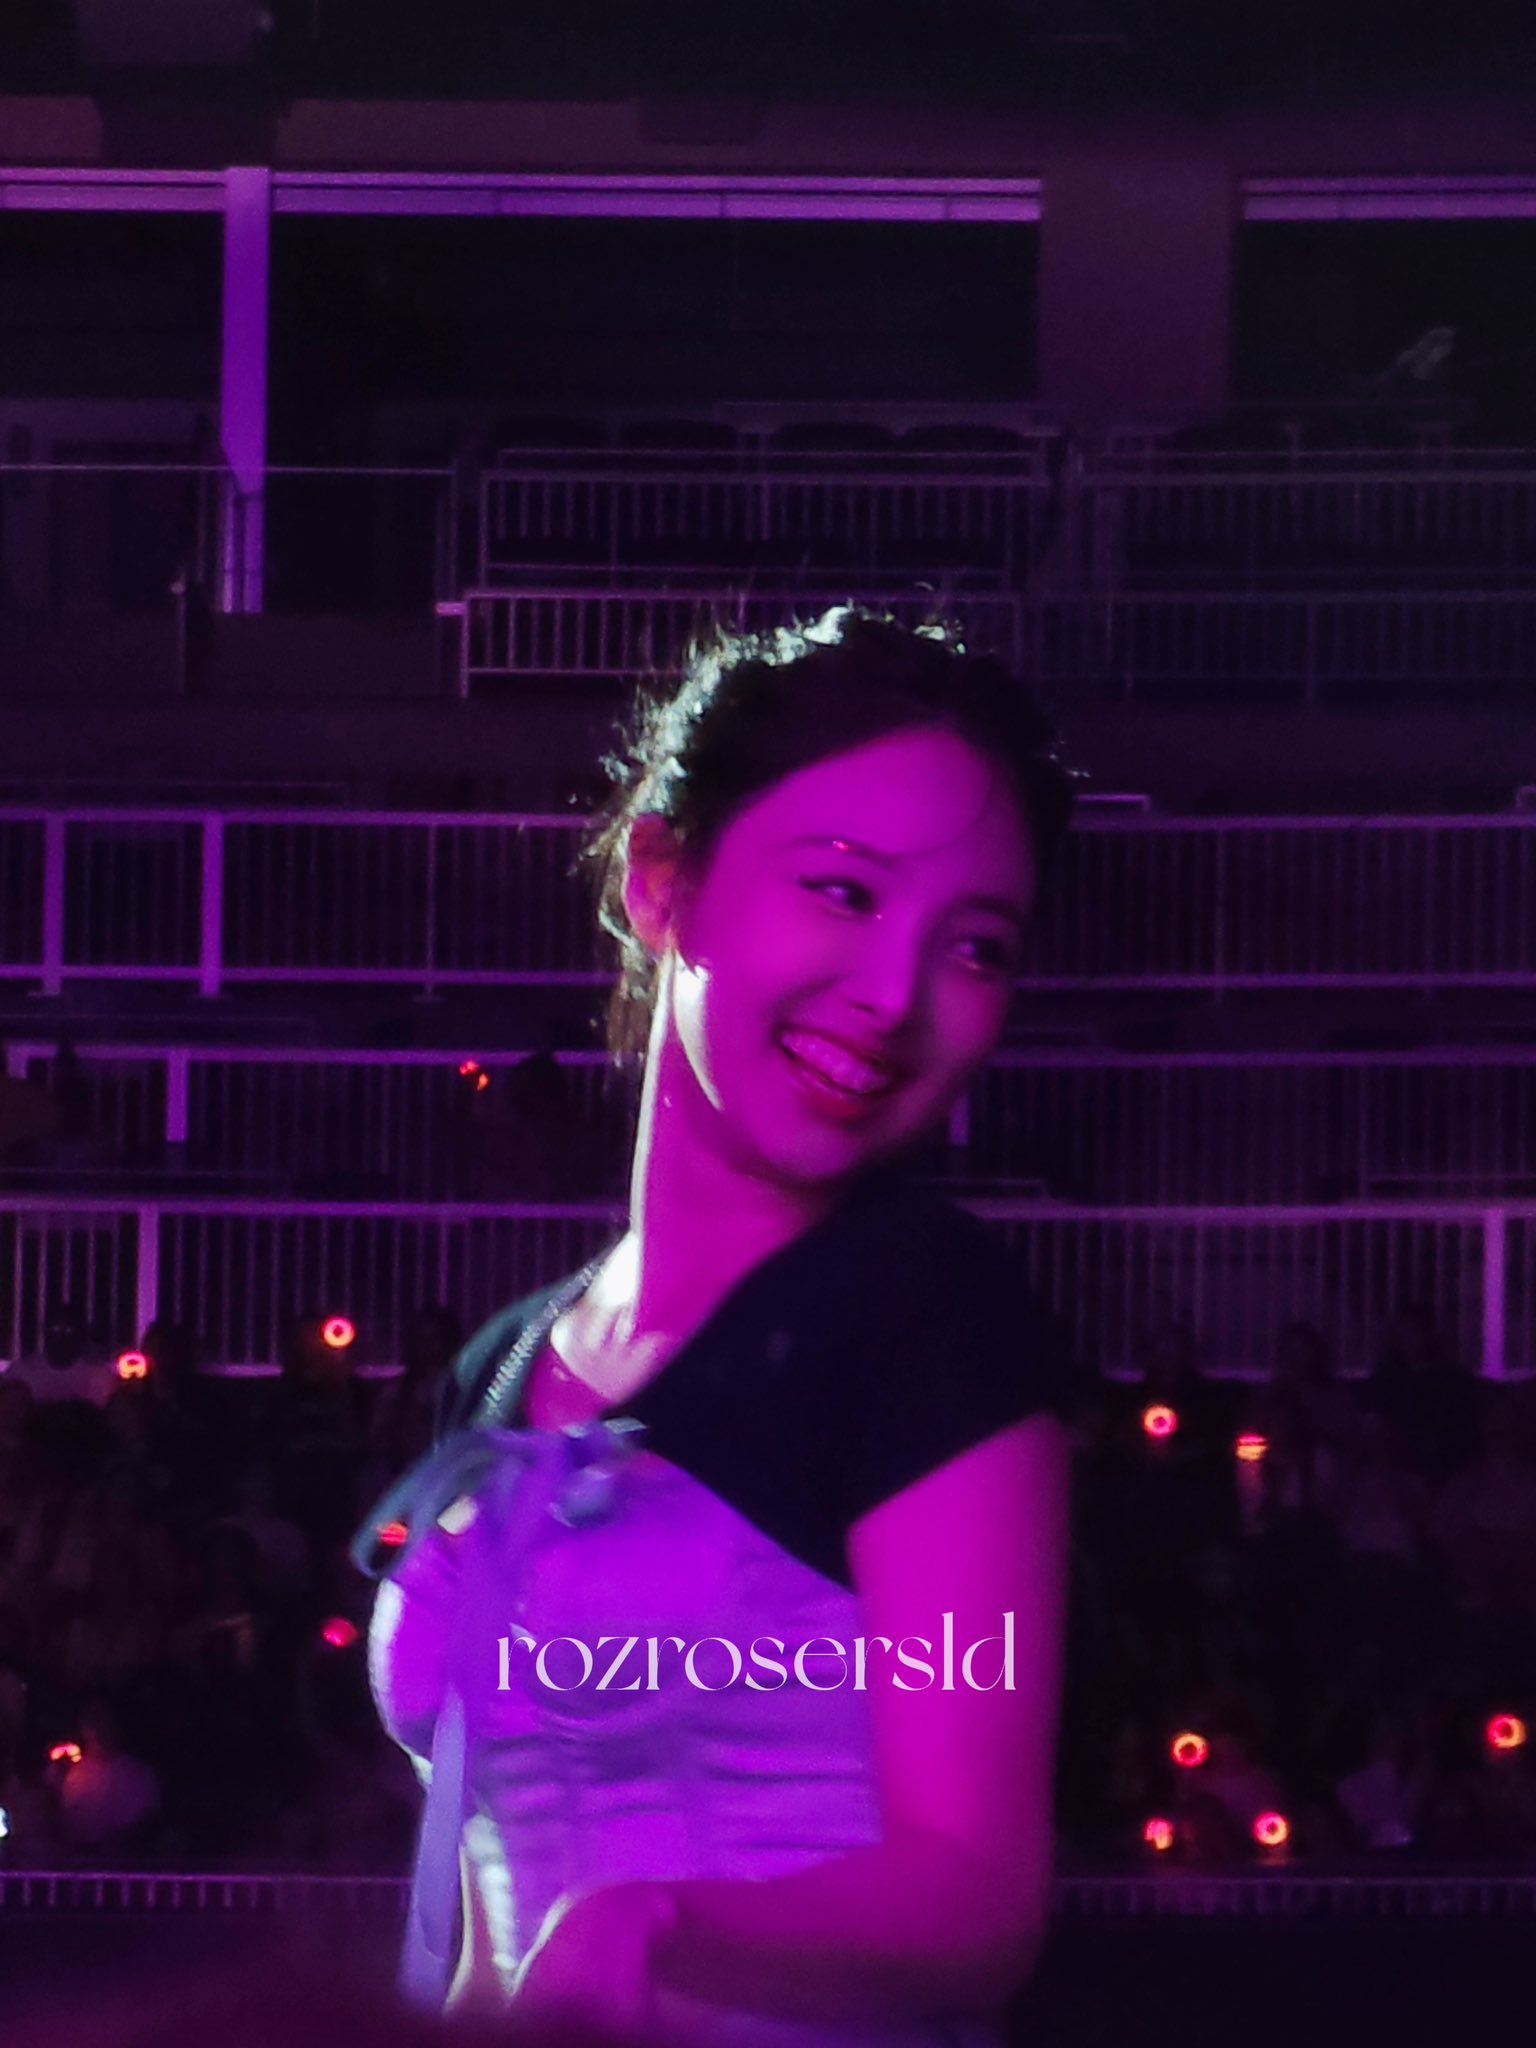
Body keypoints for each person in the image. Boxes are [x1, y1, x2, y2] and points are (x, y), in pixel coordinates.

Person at [356, 605, 1080, 2046]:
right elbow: (489, 1933)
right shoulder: (501, 1370)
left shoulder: (924, 1314)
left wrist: (654, 1921)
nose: (895, 996)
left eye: (977, 948)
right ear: (662, 879)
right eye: (845, 891)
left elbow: (976, 1895)